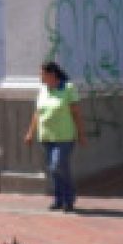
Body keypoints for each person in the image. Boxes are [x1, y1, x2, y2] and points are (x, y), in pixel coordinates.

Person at [24, 61, 87, 212]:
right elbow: (37, 113)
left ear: (51, 74)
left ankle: (69, 197)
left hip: (64, 136)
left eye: (42, 73)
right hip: (46, 137)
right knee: (54, 169)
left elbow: (76, 113)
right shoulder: (43, 90)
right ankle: (59, 200)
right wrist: (30, 132)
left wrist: (81, 134)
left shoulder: (68, 88)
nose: (40, 76)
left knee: (57, 165)